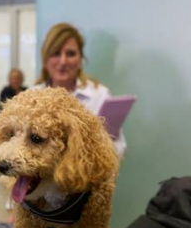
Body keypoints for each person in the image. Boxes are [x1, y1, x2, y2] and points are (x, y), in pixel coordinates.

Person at [33, 22, 127, 157]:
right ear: (45, 59)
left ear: (80, 59)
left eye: (70, 54)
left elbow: (119, 148)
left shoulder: (100, 95)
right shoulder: (32, 96)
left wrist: (91, 151)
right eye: (56, 53)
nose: (63, 61)